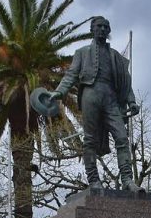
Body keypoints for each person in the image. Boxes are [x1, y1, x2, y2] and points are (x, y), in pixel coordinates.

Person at [51, 16, 140, 190]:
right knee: (90, 139)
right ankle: (94, 180)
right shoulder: (82, 53)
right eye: (99, 26)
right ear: (92, 29)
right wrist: (59, 91)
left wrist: (131, 101)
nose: (102, 29)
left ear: (109, 31)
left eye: (106, 27)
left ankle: (128, 181)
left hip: (111, 98)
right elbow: (71, 75)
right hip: (90, 95)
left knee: (122, 137)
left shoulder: (116, 57)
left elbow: (125, 82)